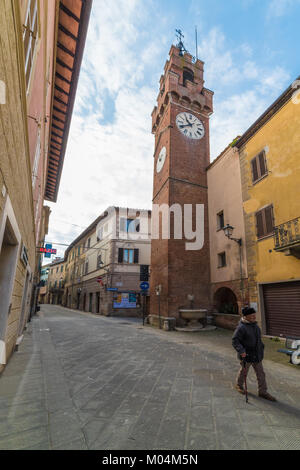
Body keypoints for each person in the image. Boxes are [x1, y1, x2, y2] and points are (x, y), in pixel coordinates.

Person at [232, 307, 276, 401]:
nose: (254, 316)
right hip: (246, 356)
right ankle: (239, 385)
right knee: (244, 372)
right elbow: (235, 341)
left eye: (254, 314)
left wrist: (261, 347)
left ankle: (263, 392)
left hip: (257, 355)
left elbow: (258, 339)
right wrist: (241, 351)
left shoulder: (255, 326)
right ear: (245, 316)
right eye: (251, 315)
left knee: (261, 374)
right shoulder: (241, 327)